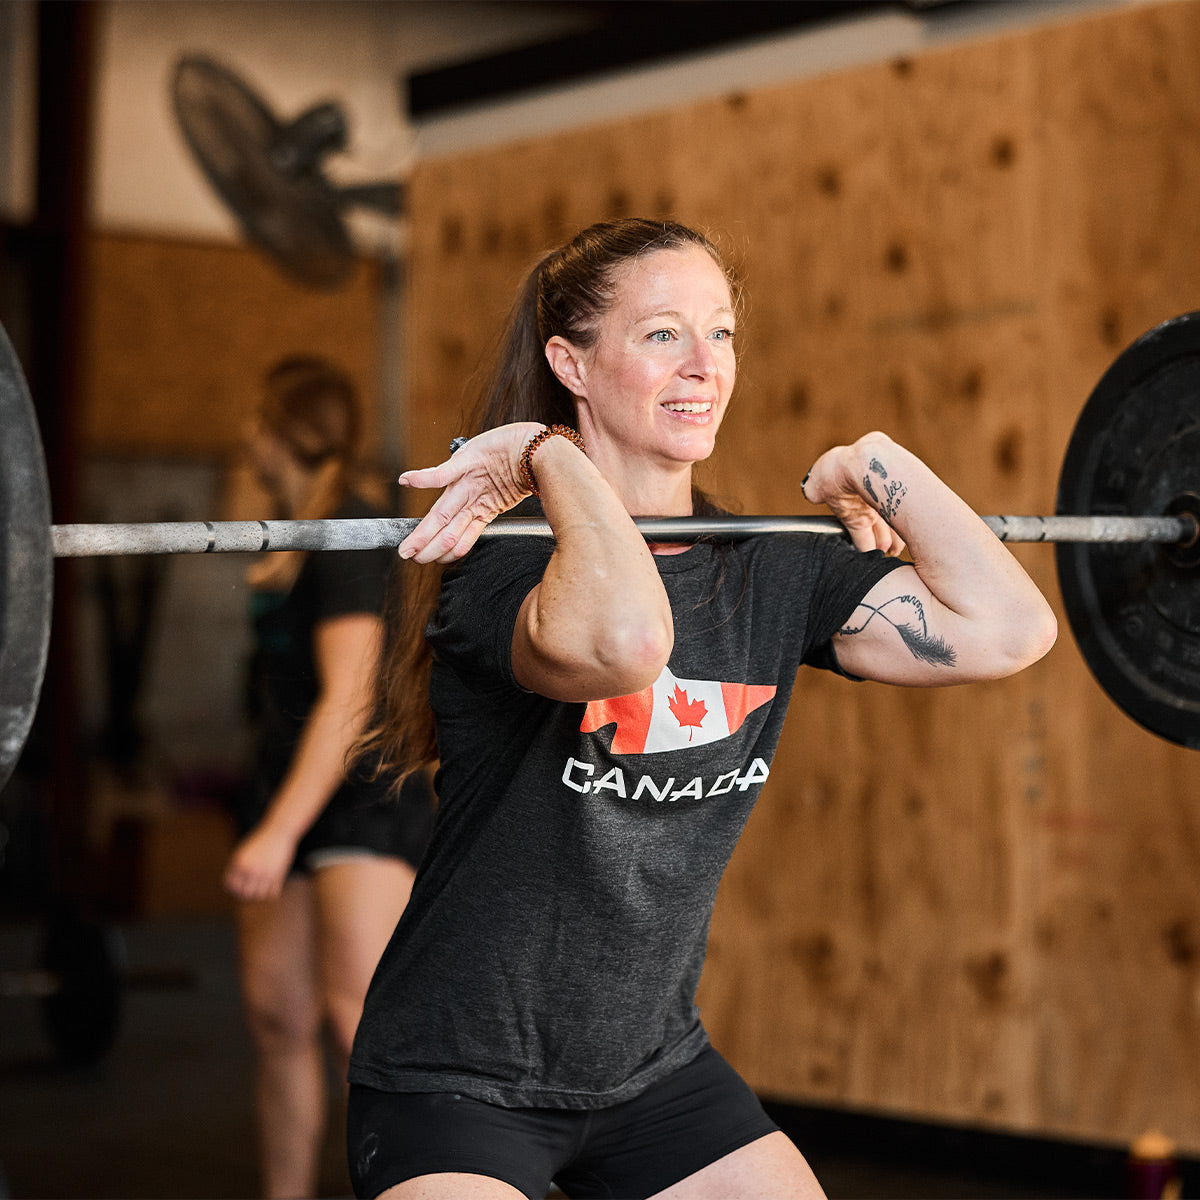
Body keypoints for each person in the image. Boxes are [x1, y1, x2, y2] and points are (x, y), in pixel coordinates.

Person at [345, 218, 1057, 1200]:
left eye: (720, 334)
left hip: (654, 1074)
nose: (704, 367)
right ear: (572, 363)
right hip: (458, 1077)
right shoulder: (502, 564)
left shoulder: (775, 566)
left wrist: (876, 462)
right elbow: (631, 643)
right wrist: (552, 457)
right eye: (662, 335)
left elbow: (1011, 631)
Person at [224, 356, 433, 1200]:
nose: (244, 438)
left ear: (279, 430)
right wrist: (275, 818)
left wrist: (278, 831)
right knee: (277, 1017)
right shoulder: (294, 526)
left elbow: (351, 699)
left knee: (359, 1031)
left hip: (362, 797)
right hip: (287, 785)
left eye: (253, 423)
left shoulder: (350, 525)